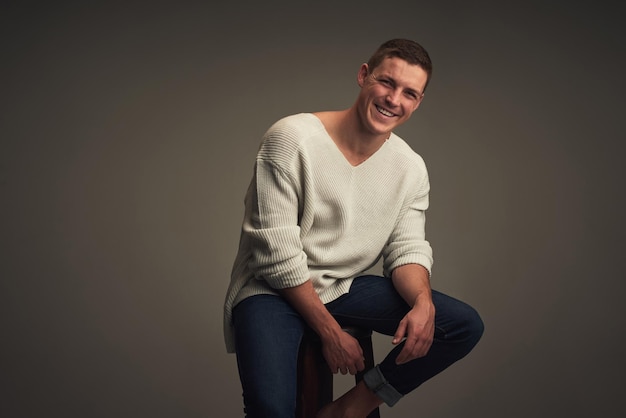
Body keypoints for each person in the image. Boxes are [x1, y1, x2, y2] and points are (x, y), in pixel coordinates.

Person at [223, 38, 484, 418]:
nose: (394, 100)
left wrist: (423, 304)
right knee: (270, 410)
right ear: (364, 76)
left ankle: (349, 409)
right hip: (270, 289)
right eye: (387, 83)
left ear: (419, 101)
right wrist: (330, 333)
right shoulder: (291, 139)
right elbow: (276, 255)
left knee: (460, 325)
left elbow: (406, 249)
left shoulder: (410, 168)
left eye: (409, 93)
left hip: (342, 287)